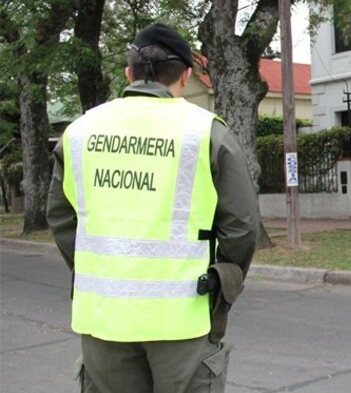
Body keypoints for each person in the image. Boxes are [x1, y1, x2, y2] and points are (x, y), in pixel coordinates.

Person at [47, 23, 259, 392]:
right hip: (182, 318)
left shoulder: (78, 133)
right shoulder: (207, 133)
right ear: (186, 76)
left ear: (128, 73)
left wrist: (99, 271)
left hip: (103, 317)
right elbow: (241, 226)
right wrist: (222, 285)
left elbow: (62, 219)